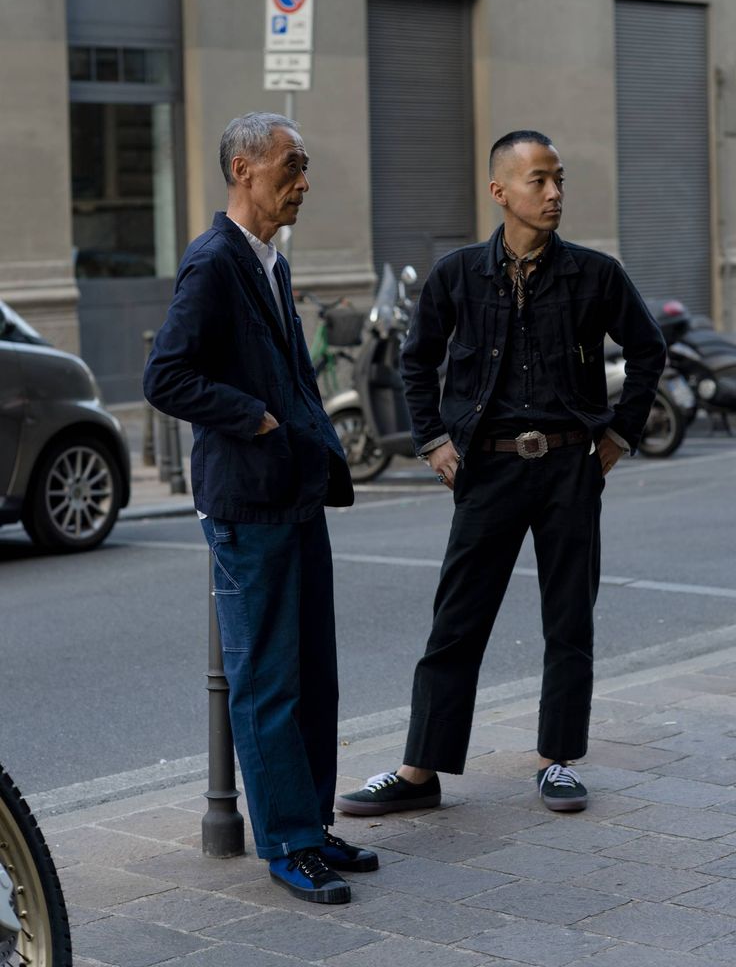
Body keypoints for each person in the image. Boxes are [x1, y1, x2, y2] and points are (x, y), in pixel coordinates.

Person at [337, 129, 666, 818]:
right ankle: (419, 772)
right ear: (500, 191)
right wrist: (431, 440)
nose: (553, 194)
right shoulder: (458, 274)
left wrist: (619, 435)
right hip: (485, 471)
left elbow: (648, 348)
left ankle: (557, 761)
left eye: (559, 180)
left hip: (570, 467)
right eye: (538, 181)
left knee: (568, 619)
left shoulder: (594, 274)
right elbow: (417, 360)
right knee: (456, 621)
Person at [143, 112, 377, 904]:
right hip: (248, 503)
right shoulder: (213, 262)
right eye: (291, 166)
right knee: (269, 680)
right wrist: (258, 417)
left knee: (314, 676)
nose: (303, 181)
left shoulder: (271, 262)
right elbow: (165, 378)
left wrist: (309, 442)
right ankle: (286, 841)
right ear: (243, 169)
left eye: (305, 166)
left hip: (294, 492)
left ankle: (309, 822)